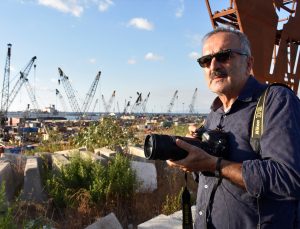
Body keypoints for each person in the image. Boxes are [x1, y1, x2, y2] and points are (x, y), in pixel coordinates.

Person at [167, 27, 300, 229]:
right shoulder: (214, 113)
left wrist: (215, 164)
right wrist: (192, 155)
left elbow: (288, 178)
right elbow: (206, 174)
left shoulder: (276, 101)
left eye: (224, 56)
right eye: (205, 60)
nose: (213, 65)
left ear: (248, 64)